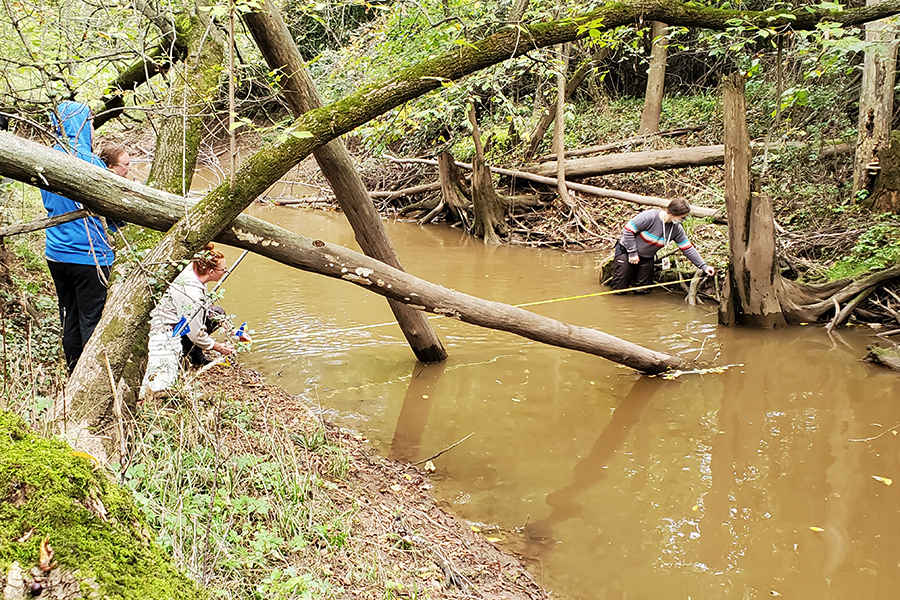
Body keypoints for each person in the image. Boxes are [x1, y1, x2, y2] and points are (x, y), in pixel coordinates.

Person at [40, 101, 120, 372]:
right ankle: (90, 378)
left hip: (56, 254)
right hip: (89, 256)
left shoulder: (44, 158)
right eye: (91, 124)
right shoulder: (89, 162)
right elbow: (112, 209)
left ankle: (73, 372)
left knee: (70, 318)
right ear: (83, 125)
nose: (94, 130)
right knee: (92, 321)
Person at [140, 243, 251, 397]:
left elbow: (208, 309)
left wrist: (233, 330)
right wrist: (219, 347)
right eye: (223, 269)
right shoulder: (191, 293)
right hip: (167, 329)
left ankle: (195, 354)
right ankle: (190, 354)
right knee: (165, 375)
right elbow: (195, 333)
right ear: (212, 272)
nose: (225, 272)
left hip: (181, 319)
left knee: (217, 312)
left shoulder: (193, 270)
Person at [609, 199, 715, 293]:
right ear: (673, 213)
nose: (684, 220)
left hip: (647, 257)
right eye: (683, 217)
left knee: (643, 290)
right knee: (619, 289)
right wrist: (632, 253)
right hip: (626, 251)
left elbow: (688, 249)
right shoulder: (649, 217)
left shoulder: (677, 229)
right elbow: (628, 230)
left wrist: (703, 266)